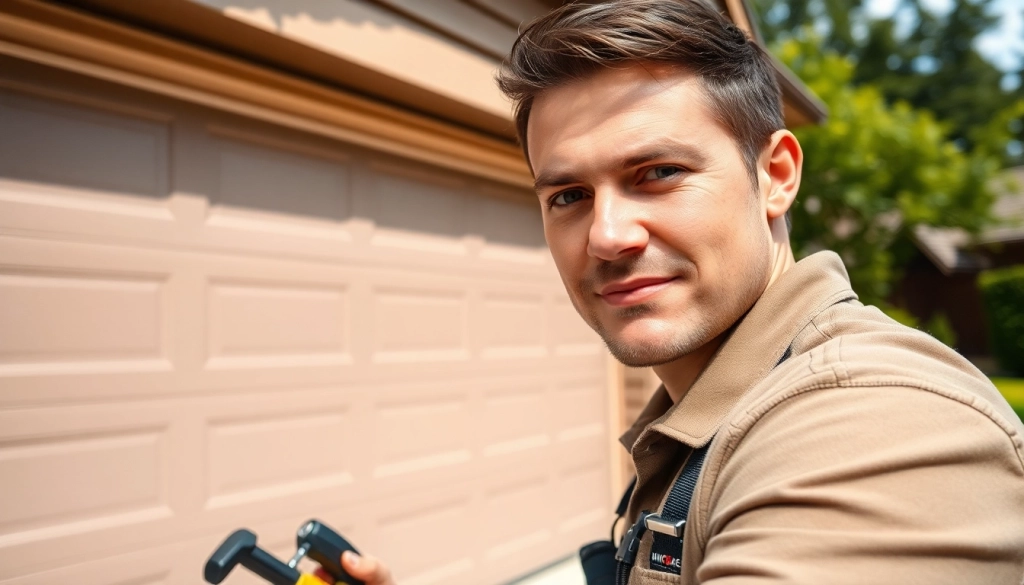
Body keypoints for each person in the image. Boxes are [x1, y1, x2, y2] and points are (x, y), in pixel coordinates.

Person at [329, 0, 1024, 583]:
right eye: (568, 195)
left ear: (776, 176)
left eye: (657, 173)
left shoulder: (871, 427)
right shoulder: (713, 420)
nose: (606, 236)